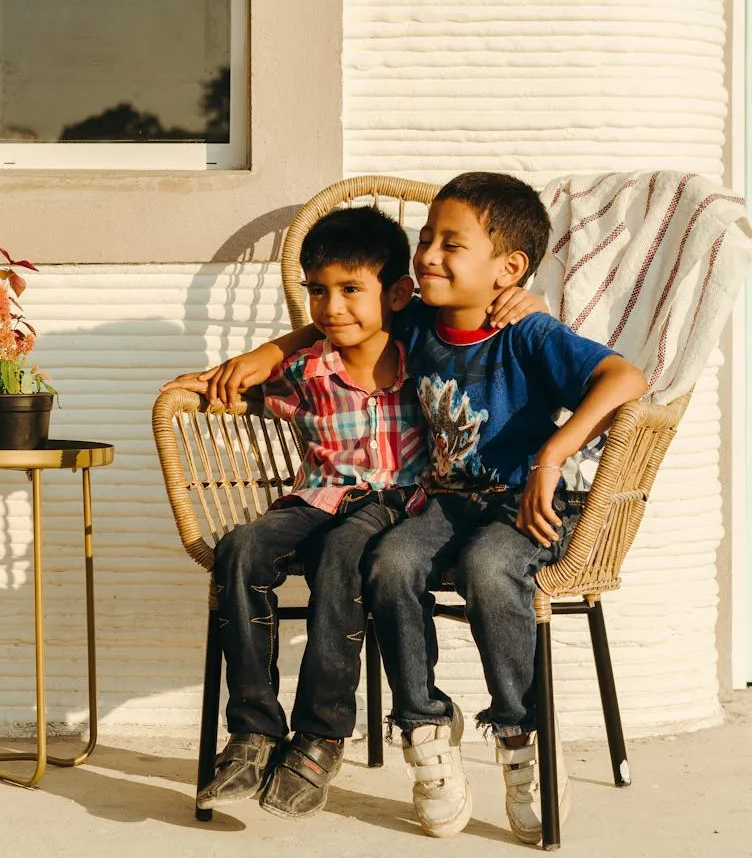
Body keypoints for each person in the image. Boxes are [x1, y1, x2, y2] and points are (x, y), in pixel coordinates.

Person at [203, 173, 647, 843]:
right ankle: (425, 728)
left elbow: (625, 377)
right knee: (390, 562)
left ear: (508, 269)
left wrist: (553, 455)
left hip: (520, 508)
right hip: (441, 506)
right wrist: (266, 352)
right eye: (426, 239)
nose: (428, 255)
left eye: (451, 244)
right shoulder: (416, 321)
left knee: (489, 569)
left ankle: (520, 732)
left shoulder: (527, 331)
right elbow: (336, 321)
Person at [163, 208, 427, 818]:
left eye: (351, 289)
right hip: (316, 498)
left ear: (396, 293)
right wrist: (212, 382)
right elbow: (245, 391)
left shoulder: (424, 355)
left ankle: (321, 735)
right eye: (318, 290)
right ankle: (253, 731)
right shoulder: (306, 370)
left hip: (393, 506)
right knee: (239, 548)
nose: (331, 308)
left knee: (342, 553)